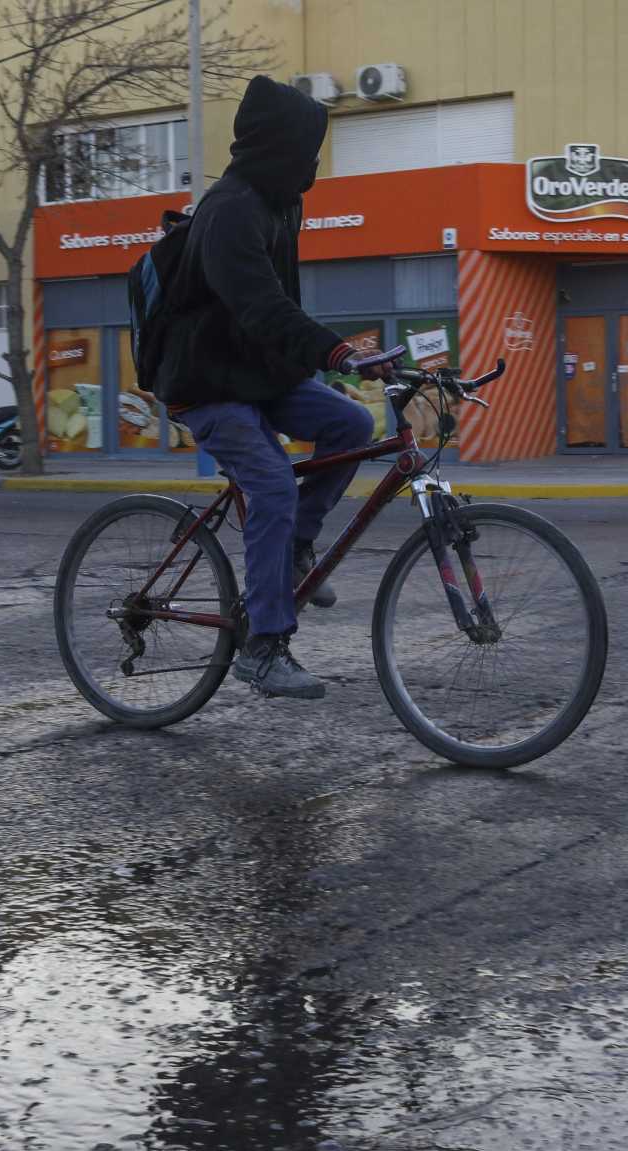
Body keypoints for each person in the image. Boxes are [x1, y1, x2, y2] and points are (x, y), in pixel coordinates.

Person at [153, 75, 391, 701]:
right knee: (273, 484)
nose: (314, 163)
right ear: (278, 147)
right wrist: (337, 352)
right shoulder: (229, 210)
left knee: (352, 425)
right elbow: (261, 307)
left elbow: (281, 301)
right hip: (207, 382)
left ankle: (292, 553)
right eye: (307, 148)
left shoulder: (283, 200)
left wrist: (320, 362)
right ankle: (262, 647)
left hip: (256, 374)